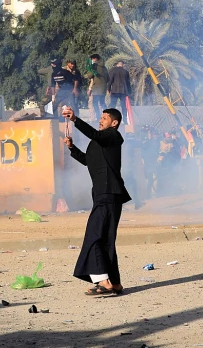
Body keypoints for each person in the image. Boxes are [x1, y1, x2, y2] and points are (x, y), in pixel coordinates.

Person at [62, 106, 130, 296]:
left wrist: (75, 119)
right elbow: (87, 161)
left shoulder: (113, 137)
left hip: (108, 194)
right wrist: (72, 148)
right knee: (107, 239)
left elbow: (95, 135)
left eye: (105, 118)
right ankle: (115, 283)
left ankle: (102, 280)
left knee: (94, 236)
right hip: (105, 195)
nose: (101, 120)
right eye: (100, 117)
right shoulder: (101, 142)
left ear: (114, 123)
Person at [87, 54, 109, 119]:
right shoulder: (104, 67)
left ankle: (98, 117)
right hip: (103, 88)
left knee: (95, 103)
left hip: (97, 88)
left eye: (92, 59)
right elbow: (108, 78)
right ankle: (107, 115)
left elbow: (90, 75)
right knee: (102, 102)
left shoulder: (94, 66)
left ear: (95, 59)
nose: (91, 61)